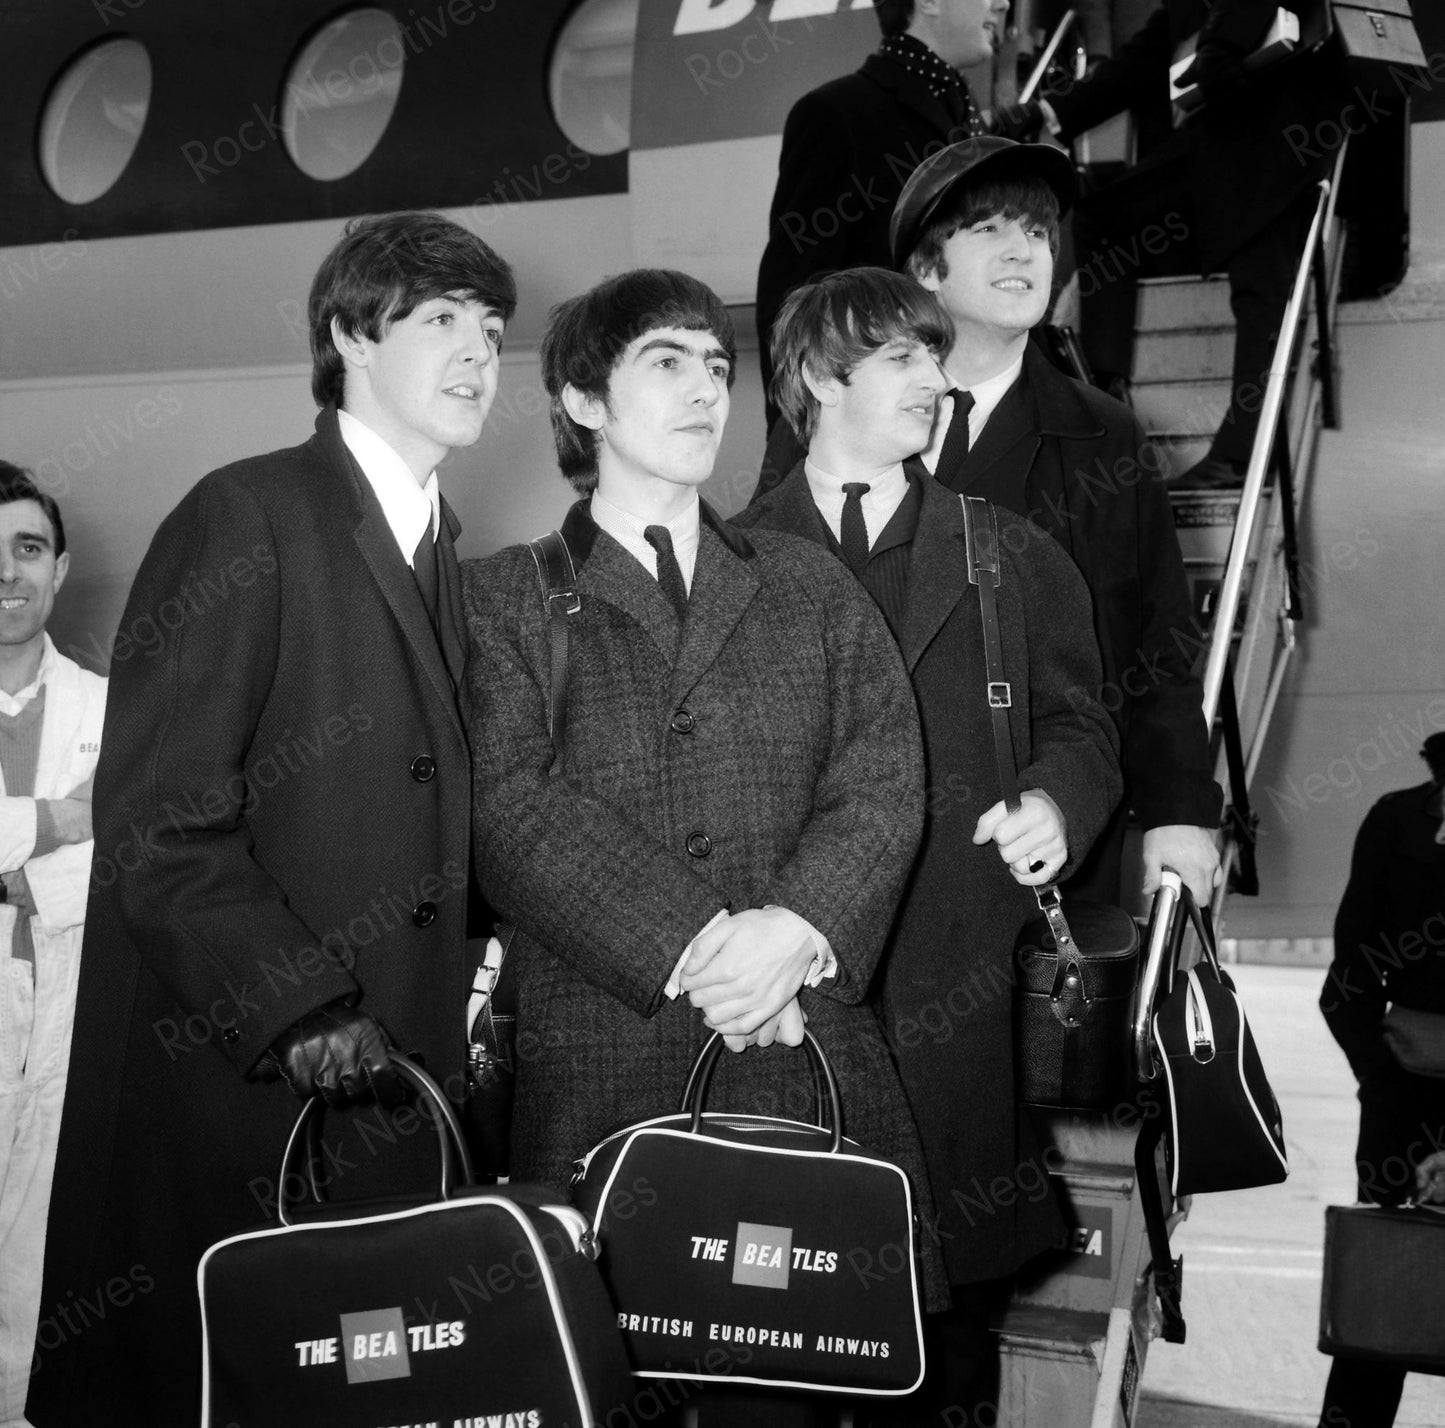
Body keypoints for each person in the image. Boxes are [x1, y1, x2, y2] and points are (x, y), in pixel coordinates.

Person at [27, 212, 516, 1426]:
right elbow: (162, 822)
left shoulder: (445, 548)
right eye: (441, 319)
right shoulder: (245, 516)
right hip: (247, 1088)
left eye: (493, 330)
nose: (477, 354)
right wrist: (296, 1005)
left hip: (393, 1086)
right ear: (351, 334)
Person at [462, 269, 943, 1418]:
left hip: (799, 1053)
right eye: (663, 364)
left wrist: (797, 929)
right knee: (605, 1379)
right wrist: (708, 947)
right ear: (583, 401)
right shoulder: (501, 601)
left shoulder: (804, 585)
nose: (702, 391)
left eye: (716, 369)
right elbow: (508, 808)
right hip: (602, 1063)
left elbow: (882, 776)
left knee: (793, 1389)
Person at [737, 264, 1121, 1426]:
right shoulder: (726, 559)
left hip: (956, 991)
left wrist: (1058, 800)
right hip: (783, 1005)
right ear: (815, 375)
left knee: (940, 1328)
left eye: (931, 355)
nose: (934, 379)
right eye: (902, 356)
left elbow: (1080, 725)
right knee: (776, 1322)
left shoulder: (1005, 556)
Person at [754, 137, 1220, 908]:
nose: (1024, 251)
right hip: (838, 855)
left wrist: (1178, 811)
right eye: (991, 229)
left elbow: (1157, 642)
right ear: (925, 270)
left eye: (1038, 232)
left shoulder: (1103, 436)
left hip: (1033, 846)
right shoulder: (821, 429)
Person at [998, 0, 1348, 486]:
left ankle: (1241, 452)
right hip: (1227, 138)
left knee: (1260, 289)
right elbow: (1141, 61)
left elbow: (1221, 48)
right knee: (1107, 217)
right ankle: (1107, 395)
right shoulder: (1182, 10)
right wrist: (1047, 110)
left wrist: (1219, 51)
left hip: (1281, 138)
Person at [754, 0, 1007, 427]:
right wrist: (797, 436)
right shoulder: (836, 113)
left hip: (971, 409)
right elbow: (796, 292)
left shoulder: (969, 116)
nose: (1003, 3)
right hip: (880, 421)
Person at [0, 469, 105, 1426]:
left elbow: (130, 862)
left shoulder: (114, 708)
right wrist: (59, 817)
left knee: (44, 1256)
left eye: (27, 548)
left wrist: (18, 863)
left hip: (72, 1012)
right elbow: (87, 831)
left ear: (59, 569)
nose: (6, 573)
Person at [1317, 730, 1445, 1428]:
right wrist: (1384, 1082)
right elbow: (1348, 983)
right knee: (1382, 1300)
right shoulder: (1395, 820)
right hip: (1403, 1095)